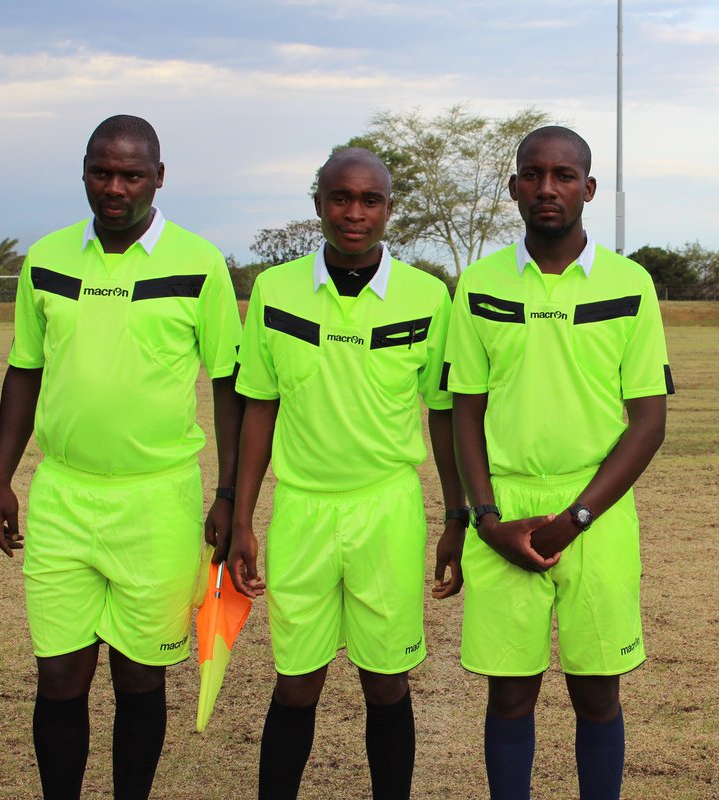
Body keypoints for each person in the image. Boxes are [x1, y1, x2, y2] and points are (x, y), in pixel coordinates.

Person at [0, 115, 243, 800]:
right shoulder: (47, 259)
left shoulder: (199, 264)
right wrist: (2, 479)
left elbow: (229, 385)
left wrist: (228, 495)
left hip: (158, 499)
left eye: (132, 174)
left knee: (139, 676)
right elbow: (25, 371)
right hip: (64, 494)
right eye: (102, 172)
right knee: (59, 675)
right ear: (84, 173)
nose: (115, 187)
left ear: (159, 177)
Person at [227, 147, 465, 800]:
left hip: (386, 510)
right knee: (296, 682)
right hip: (302, 509)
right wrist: (243, 519)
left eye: (369, 200)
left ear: (389, 209)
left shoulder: (427, 296)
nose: (354, 212)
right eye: (340, 198)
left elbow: (443, 413)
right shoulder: (275, 291)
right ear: (318, 205)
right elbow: (259, 408)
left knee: (385, 681)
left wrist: (456, 517)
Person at [444, 126, 672, 800]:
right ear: (514, 186)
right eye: (533, 174)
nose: (547, 188)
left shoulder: (629, 284)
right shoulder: (480, 283)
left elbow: (649, 422)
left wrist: (576, 518)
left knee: (597, 695)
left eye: (564, 176)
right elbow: (464, 412)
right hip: (505, 507)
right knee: (510, 695)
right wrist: (487, 520)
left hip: (596, 514)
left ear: (588, 189)